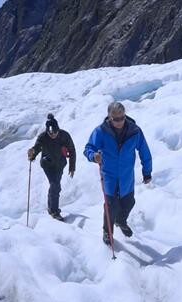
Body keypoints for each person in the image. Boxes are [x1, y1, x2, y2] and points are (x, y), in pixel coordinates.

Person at [84, 102, 152, 245]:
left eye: (122, 118)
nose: (119, 122)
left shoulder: (135, 131)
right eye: (116, 119)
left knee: (129, 202)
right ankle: (107, 231)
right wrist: (93, 156)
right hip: (109, 175)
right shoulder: (101, 132)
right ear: (109, 117)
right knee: (110, 205)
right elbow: (89, 148)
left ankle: (120, 221)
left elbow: (144, 151)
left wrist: (147, 172)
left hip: (127, 176)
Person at [28, 114, 76, 221]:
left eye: (55, 132)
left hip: (60, 165)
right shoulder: (43, 137)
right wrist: (32, 154)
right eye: (50, 133)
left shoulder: (65, 136)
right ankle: (54, 211)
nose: (53, 134)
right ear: (47, 131)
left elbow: (72, 150)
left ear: (58, 129)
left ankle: (51, 208)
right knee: (55, 185)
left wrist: (72, 167)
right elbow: (37, 148)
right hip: (47, 165)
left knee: (55, 186)